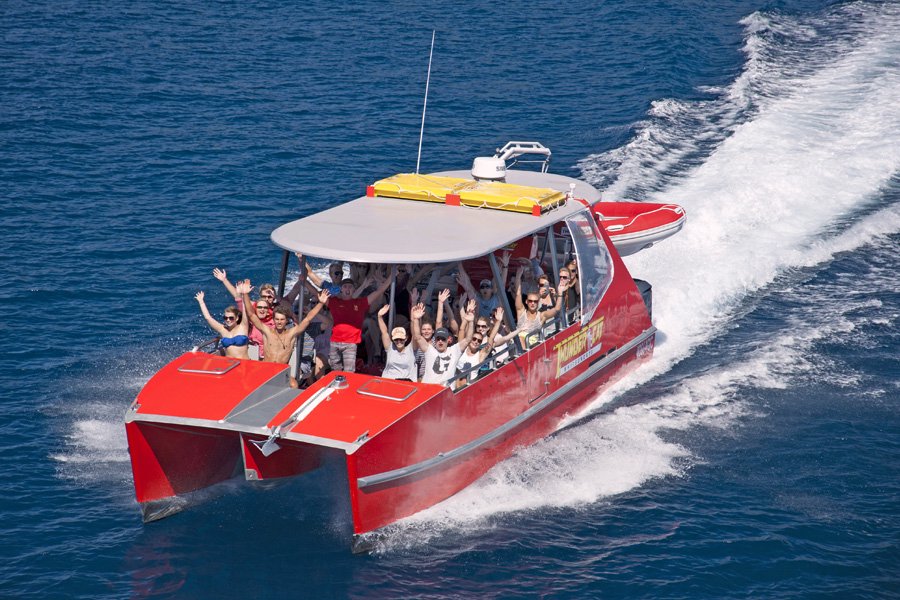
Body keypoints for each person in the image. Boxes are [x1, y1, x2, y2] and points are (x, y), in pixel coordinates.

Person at [240, 281, 329, 388]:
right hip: (265, 368)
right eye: (276, 319)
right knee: (248, 382)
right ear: (273, 319)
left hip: (281, 371)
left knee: (294, 385)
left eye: (282, 319)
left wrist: (320, 303)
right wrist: (245, 294)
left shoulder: (292, 333)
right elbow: (251, 314)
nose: (279, 322)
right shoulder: (267, 331)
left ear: (286, 320)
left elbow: (308, 318)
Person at [328, 266, 394, 372]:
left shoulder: (360, 302)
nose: (347, 289)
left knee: (349, 373)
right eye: (345, 286)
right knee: (335, 372)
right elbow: (317, 294)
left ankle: (374, 356)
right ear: (341, 289)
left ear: (354, 289)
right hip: (335, 341)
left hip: (350, 343)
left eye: (350, 287)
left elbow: (379, 291)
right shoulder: (335, 300)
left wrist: (392, 276)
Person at [412, 299, 475, 385]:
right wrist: (415, 319)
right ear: (435, 340)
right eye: (438, 339)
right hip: (428, 389)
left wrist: (471, 322)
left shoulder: (454, 350)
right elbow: (418, 337)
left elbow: (468, 339)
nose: (440, 341)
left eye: (443, 339)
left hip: (445, 392)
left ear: (448, 340)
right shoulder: (429, 350)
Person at [514, 266, 568, 341]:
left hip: (552, 332)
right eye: (541, 285)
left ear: (550, 285)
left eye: (545, 285)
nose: (533, 303)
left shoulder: (554, 296)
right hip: (539, 336)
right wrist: (518, 276)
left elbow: (558, 310)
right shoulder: (535, 298)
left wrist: (558, 295)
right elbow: (518, 295)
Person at [194, 291, 250, 360]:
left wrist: (244, 294)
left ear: (237, 318)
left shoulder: (243, 327)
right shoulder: (222, 329)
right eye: (225, 318)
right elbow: (208, 318)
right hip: (229, 364)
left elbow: (246, 310)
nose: (228, 320)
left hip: (244, 364)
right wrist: (201, 302)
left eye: (231, 318)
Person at [456, 306, 504, 385]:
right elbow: (461, 329)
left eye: (479, 341)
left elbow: (491, 338)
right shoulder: (462, 348)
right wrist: (468, 315)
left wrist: (498, 321)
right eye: (474, 339)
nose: (476, 341)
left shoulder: (480, 355)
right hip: (455, 384)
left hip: (470, 386)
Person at [376, 304, 416, 381]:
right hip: (389, 382)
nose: (399, 341)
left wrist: (413, 320)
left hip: (407, 384)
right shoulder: (390, 348)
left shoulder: (411, 349)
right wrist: (379, 317)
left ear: (406, 338)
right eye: (396, 339)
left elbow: (415, 335)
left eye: (401, 339)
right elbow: (384, 332)